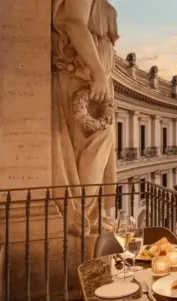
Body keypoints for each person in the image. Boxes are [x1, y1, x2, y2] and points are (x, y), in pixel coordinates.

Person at [52, 0, 119, 237]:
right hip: (84, 76)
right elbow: (74, 21)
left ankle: (88, 214)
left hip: (93, 77)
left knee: (97, 145)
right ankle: (83, 216)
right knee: (94, 142)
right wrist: (97, 70)